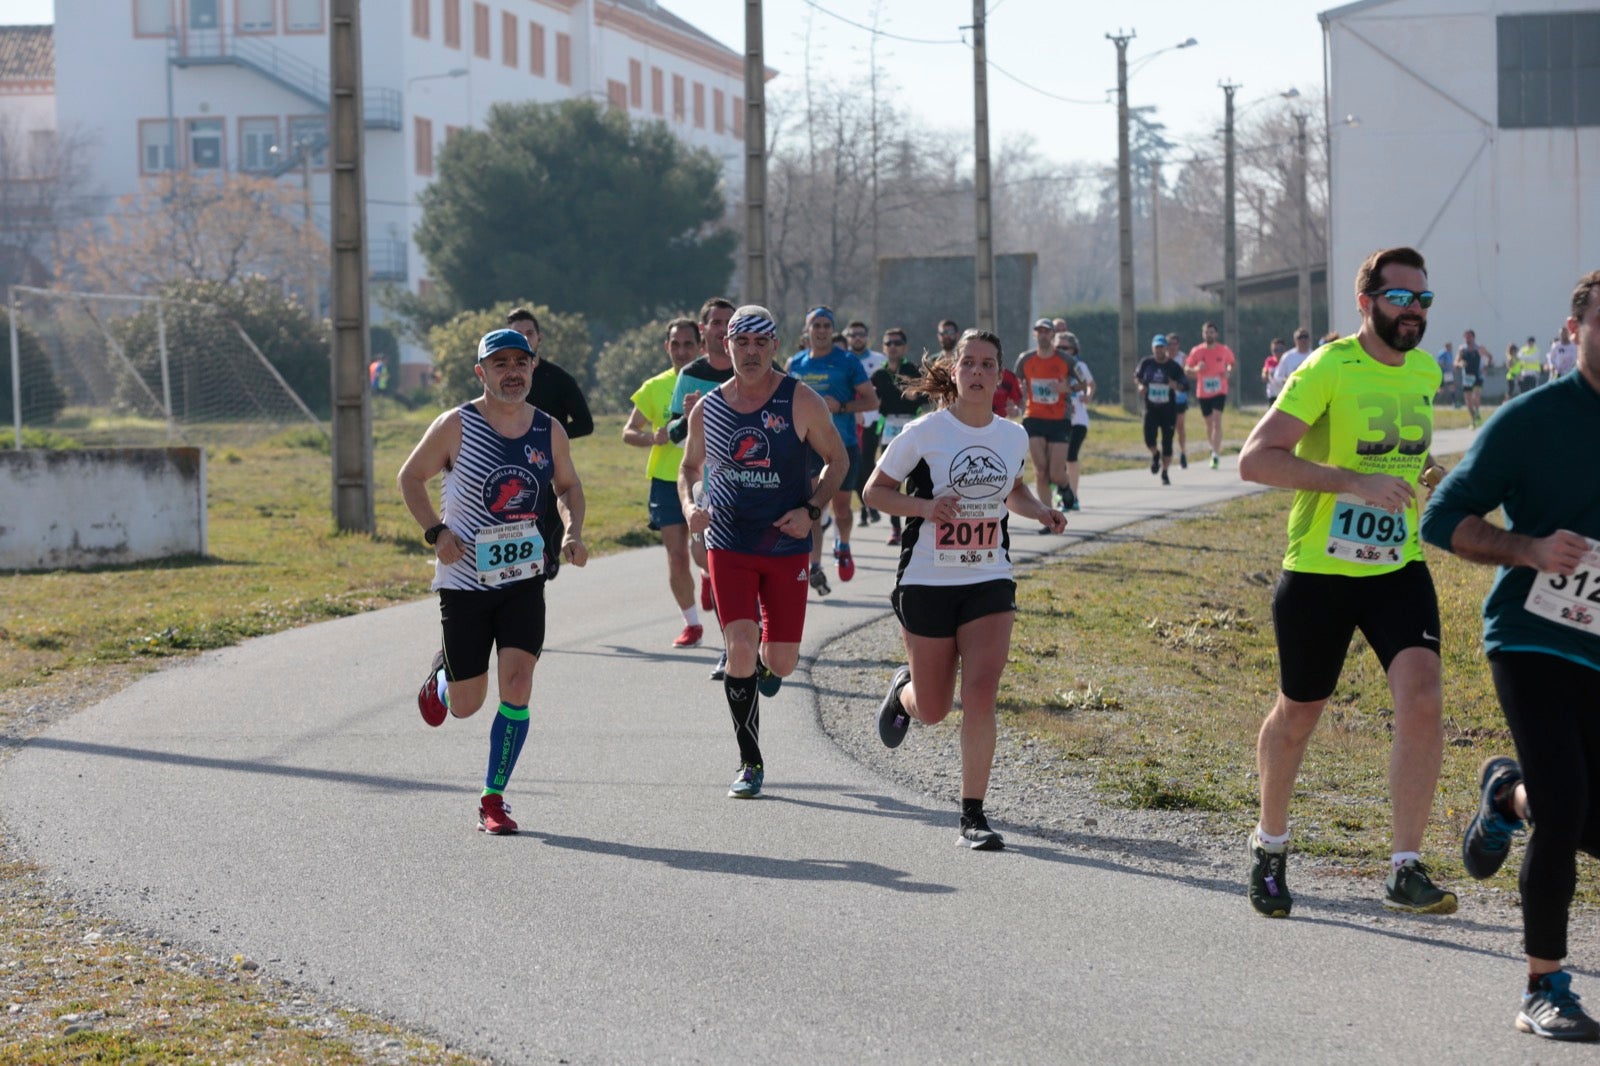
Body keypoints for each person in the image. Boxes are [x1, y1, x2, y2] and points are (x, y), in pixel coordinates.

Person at [1237, 245, 1455, 918]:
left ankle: (1404, 866)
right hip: (1319, 572)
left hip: (1395, 567)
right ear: (1367, 303)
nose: (1414, 311)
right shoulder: (1329, 366)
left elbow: (1397, 452)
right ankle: (1270, 845)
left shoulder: (1424, 371)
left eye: (1423, 300)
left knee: (1422, 697)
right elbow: (1257, 460)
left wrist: (1425, 476)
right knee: (1299, 713)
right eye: (1401, 298)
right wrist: (1351, 483)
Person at [1419, 268, 1600, 1043]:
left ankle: (1503, 797)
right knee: (1565, 809)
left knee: (1579, 812)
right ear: (1574, 330)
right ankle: (1543, 987)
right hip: (1534, 637)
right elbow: (1442, 518)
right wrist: (1527, 547)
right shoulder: (1533, 420)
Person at [866, 328, 1067, 850]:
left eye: (987, 364)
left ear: (1001, 375)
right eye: (969, 363)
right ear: (954, 372)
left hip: (988, 578)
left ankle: (972, 815)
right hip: (927, 580)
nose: (977, 372)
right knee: (933, 709)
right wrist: (925, 508)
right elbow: (875, 491)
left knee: (981, 693)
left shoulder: (1012, 435)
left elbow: (1013, 488)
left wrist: (1040, 510)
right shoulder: (924, 432)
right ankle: (902, 691)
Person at [399, 328, 589, 835]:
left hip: (524, 577)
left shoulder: (548, 429)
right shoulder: (456, 425)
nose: (512, 371)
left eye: (520, 362)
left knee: (519, 684)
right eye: (499, 363)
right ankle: (442, 678)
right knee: (466, 705)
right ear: (481, 372)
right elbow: (409, 477)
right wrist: (435, 532)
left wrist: (572, 531)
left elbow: (567, 485)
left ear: (534, 367)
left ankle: (493, 798)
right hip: (463, 581)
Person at [678, 305, 848, 798]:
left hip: (785, 544)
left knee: (784, 660)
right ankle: (749, 762)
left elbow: (838, 461)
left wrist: (812, 511)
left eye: (760, 343)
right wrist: (690, 506)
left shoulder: (801, 401)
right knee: (740, 649)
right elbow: (688, 469)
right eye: (741, 343)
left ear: (775, 347)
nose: (750, 353)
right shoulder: (707, 408)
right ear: (725, 346)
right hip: (729, 543)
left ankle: (771, 666)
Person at [622, 317, 706, 649]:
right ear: (666, 347)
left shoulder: (709, 378)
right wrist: (652, 438)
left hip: (704, 480)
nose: (681, 350)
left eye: (688, 344)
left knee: (703, 551)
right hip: (665, 480)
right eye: (676, 344)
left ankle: (711, 577)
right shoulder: (654, 386)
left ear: (700, 346)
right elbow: (628, 432)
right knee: (675, 556)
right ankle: (693, 624)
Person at [786, 306, 877, 595]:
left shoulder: (847, 361)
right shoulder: (796, 364)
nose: (822, 330)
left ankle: (844, 544)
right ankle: (815, 565)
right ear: (807, 330)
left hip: (843, 444)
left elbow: (872, 401)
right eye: (817, 325)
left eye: (827, 325)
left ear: (832, 329)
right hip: (808, 447)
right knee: (814, 506)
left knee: (842, 509)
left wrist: (843, 407)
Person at [669, 298, 737, 678]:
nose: (722, 328)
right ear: (704, 328)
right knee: (707, 555)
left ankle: (743, 646)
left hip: (752, 481)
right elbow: (674, 433)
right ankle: (733, 646)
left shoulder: (756, 365)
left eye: (729, 322)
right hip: (707, 482)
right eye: (716, 322)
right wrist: (691, 414)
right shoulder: (691, 373)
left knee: (743, 564)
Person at [1015, 317, 1076, 523]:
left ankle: (1065, 487)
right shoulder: (1025, 359)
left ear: (1052, 335)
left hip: (1059, 419)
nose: (1042, 335)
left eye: (1046, 331)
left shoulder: (1066, 360)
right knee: (1041, 472)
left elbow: (1084, 383)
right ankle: (1048, 516)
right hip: (1033, 417)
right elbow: (1017, 383)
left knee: (1056, 474)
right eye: (1039, 331)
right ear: (1035, 335)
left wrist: (1067, 388)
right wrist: (1019, 396)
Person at [872, 326, 925, 546]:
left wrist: (918, 395)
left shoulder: (913, 371)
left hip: (911, 425)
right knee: (891, 480)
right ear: (883, 348)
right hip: (889, 428)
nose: (892, 347)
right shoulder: (879, 375)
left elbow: (928, 395)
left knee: (915, 479)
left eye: (897, 343)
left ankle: (914, 525)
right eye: (888, 343)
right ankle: (895, 529)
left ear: (905, 347)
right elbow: (869, 399)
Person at [506, 308, 593, 440]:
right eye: (517, 334)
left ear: (539, 337)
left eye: (529, 333)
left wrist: (547, 436)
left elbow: (585, 424)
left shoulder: (560, 379)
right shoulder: (500, 377)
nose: (524, 338)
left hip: (548, 458)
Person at [845, 320, 887, 527]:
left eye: (861, 334)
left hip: (874, 419)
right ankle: (865, 506)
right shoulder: (843, 360)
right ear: (848, 338)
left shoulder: (879, 360)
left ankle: (870, 502)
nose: (857, 338)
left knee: (868, 462)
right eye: (853, 335)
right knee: (853, 465)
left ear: (867, 337)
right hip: (850, 419)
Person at [1135, 334, 1188, 486]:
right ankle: (1155, 454)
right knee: (1148, 439)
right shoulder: (1146, 363)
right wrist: (1140, 386)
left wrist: (1175, 386)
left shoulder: (1173, 366)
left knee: (1167, 443)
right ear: (1153, 348)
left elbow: (1185, 385)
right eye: (1156, 347)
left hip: (1168, 410)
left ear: (1166, 348)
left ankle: (1165, 472)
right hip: (1151, 409)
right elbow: (1137, 376)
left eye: (1162, 347)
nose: (1159, 350)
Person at [1184, 320, 1236, 469]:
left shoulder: (1223, 350)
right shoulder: (1197, 351)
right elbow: (1187, 368)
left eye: (1211, 332)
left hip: (1220, 390)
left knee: (1217, 421)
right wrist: (1195, 369)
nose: (1209, 335)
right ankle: (1213, 447)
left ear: (1216, 334)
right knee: (1209, 423)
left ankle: (1215, 454)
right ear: (1203, 334)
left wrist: (1228, 371)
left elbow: (1231, 362)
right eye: (1206, 332)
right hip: (1203, 392)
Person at [1058, 331, 1093, 510]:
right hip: (1057, 418)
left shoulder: (1079, 366)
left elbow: (1090, 384)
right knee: (1056, 462)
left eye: (1065, 348)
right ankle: (1063, 494)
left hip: (1077, 419)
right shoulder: (1051, 366)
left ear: (1073, 349)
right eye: (1058, 347)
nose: (1062, 351)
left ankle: (1074, 495)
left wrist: (1087, 396)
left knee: (1070, 457)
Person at [1165, 329, 1191, 468]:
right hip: (1165, 397)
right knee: (1168, 426)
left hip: (1180, 397)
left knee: (1180, 426)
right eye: (1169, 344)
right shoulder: (1161, 358)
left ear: (1178, 345)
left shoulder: (1183, 358)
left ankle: (1182, 452)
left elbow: (1187, 373)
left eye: (1174, 344)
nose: (1172, 347)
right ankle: (1168, 452)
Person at [1457, 329, 1489, 427]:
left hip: (1478, 375)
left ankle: (1477, 412)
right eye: (1466, 337)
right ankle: (1473, 419)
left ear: (1473, 337)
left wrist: (1485, 366)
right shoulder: (1462, 349)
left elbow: (1489, 356)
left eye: (1469, 336)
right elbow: (1456, 362)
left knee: (1476, 396)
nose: (1467, 338)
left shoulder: (1479, 348)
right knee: (1468, 400)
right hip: (1467, 377)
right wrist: (1460, 363)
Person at [1270, 328, 1317, 395]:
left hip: (1310, 394)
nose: (1303, 339)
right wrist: (1285, 381)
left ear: (1309, 339)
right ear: (1295, 340)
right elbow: (1277, 377)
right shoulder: (1287, 357)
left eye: (1305, 337)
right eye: (1300, 337)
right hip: (1293, 395)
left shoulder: (1315, 356)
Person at [1262, 338, 1286, 404]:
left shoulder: (1288, 361)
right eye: (1275, 350)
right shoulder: (1269, 361)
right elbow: (1264, 372)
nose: (1278, 353)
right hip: (1273, 394)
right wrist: (1265, 375)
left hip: (1286, 394)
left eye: (1281, 350)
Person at [1435, 341, 1457, 408]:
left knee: (1452, 387)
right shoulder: (1442, 353)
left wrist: (1452, 368)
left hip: (1448, 373)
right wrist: (1447, 367)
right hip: (1443, 372)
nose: (1451, 348)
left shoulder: (1450, 352)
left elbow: (1450, 362)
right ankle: (1432, 400)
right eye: (1450, 347)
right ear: (1447, 346)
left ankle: (1454, 402)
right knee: (1441, 389)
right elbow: (1440, 363)